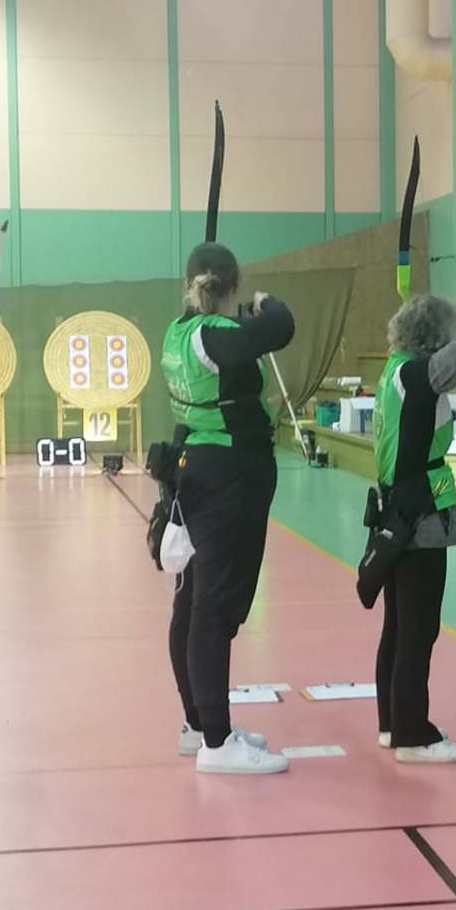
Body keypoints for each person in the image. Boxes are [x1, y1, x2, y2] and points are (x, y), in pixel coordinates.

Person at [161, 242, 294, 775]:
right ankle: (217, 743)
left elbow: (237, 341)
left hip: (199, 469)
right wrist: (265, 303)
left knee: (193, 603)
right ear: (231, 286)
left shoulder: (179, 331)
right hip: (228, 476)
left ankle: (200, 726)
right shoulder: (216, 335)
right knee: (212, 609)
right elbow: (280, 328)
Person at [372, 294, 456, 764]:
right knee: (418, 628)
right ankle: (413, 735)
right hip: (419, 514)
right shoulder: (416, 374)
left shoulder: (394, 370)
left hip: (399, 509)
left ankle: (393, 723)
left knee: (399, 625)